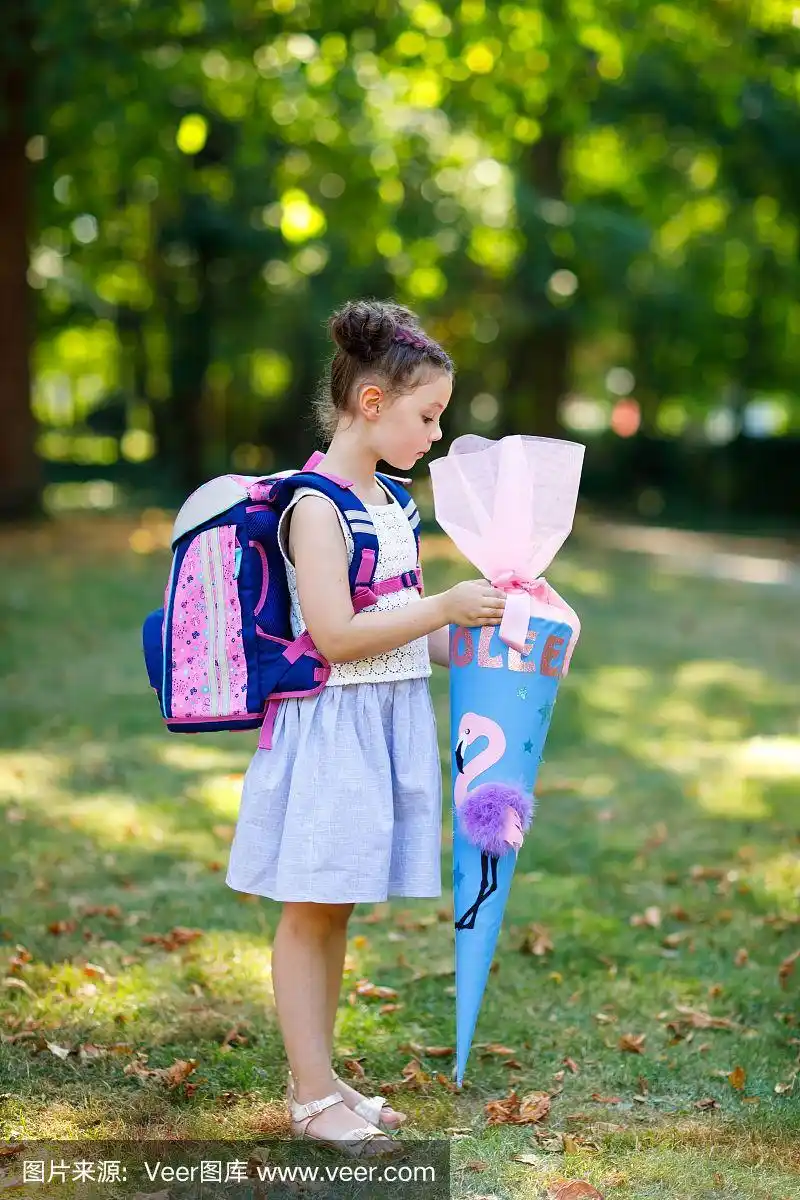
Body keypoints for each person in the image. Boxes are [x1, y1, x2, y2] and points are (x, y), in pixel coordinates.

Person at [225, 298, 506, 1154]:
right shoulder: (314, 506)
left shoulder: (391, 502)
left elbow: (400, 630)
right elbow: (339, 636)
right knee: (310, 910)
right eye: (428, 417)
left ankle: (322, 1078)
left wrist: (491, 636)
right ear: (375, 403)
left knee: (334, 906)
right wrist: (443, 605)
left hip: (381, 723)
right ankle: (310, 1098)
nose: (435, 436)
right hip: (330, 731)